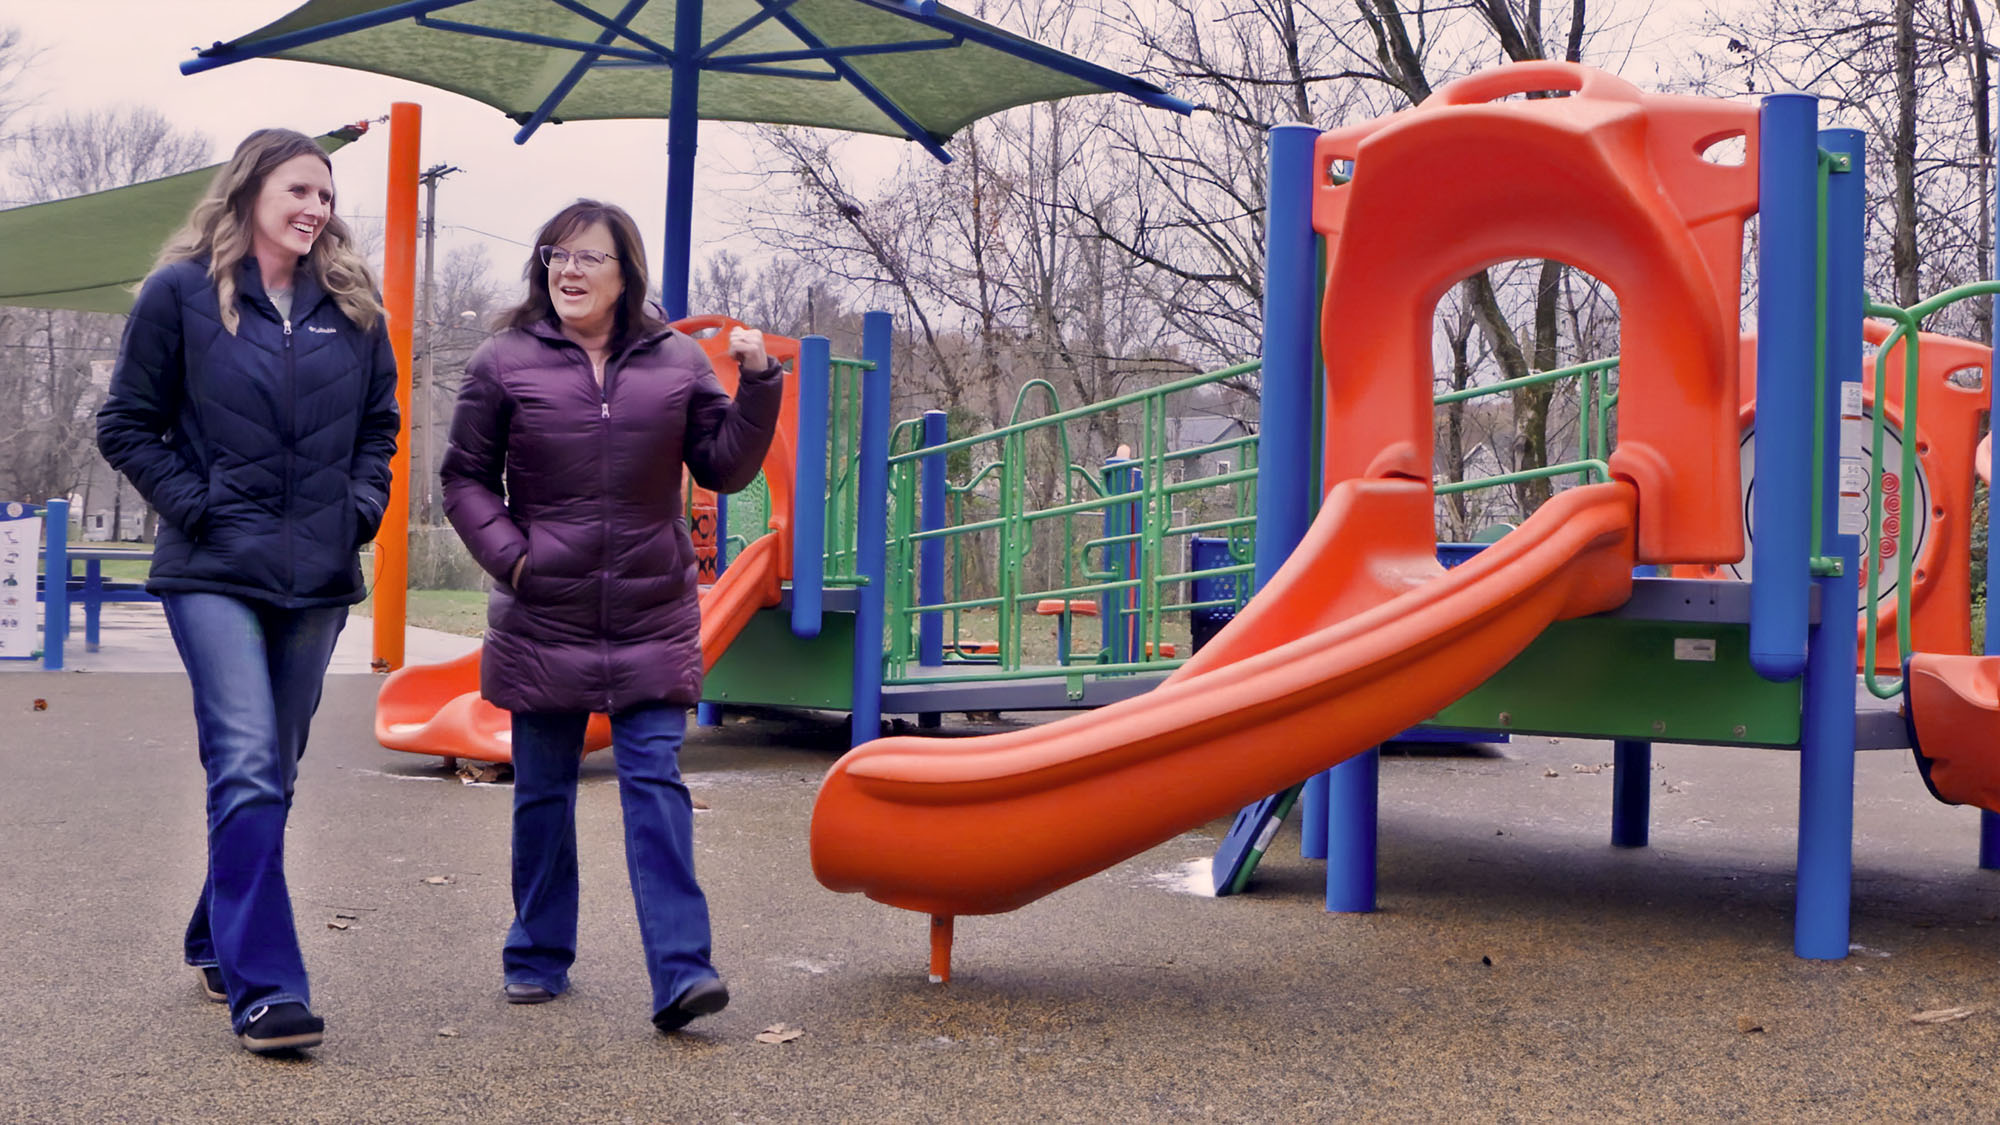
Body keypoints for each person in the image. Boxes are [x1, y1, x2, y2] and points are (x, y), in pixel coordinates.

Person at [441, 200, 782, 1035]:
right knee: (544, 795)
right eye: (557, 254)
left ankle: (682, 971)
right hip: (542, 611)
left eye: (590, 257)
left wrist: (760, 385)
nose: (570, 270)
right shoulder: (503, 361)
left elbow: (724, 464)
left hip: (650, 611)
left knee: (656, 787)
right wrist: (516, 559)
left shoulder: (673, 362)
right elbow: (464, 480)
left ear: (624, 270)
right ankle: (536, 954)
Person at [96, 128, 399, 1055]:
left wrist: (358, 510)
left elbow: (379, 427)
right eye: (300, 189)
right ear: (251, 189)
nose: (315, 208)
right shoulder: (180, 294)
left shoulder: (351, 306)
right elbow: (126, 423)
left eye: (325, 195)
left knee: (276, 769)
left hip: (316, 574)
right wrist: (203, 506)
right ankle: (268, 988)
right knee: (247, 760)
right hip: (212, 568)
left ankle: (212, 934)